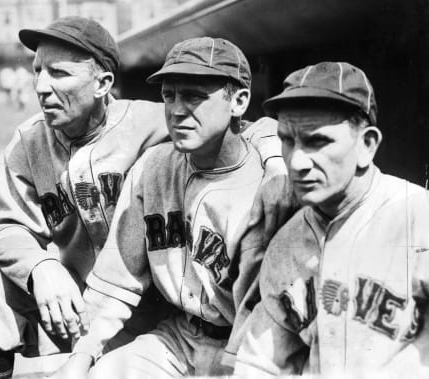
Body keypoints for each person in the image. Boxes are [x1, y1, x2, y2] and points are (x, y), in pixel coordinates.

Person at [54, 37, 292, 379]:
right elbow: (114, 281)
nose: (177, 109)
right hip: (181, 338)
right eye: (169, 95)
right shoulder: (155, 167)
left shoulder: (271, 185)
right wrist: (80, 357)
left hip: (253, 349)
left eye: (194, 95)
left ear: (239, 101)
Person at [0, 16, 170, 379]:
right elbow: (7, 227)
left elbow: (233, 134)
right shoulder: (29, 141)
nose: (40, 85)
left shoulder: (153, 125)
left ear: (103, 83)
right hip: (71, 304)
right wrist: (42, 268)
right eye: (37, 70)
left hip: (148, 309)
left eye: (58, 73)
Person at [234, 62, 429, 377]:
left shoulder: (418, 217)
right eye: (287, 140)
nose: (297, 162)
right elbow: (258, 364)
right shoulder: (286, 245)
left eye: (318, 141)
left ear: (367, 145)